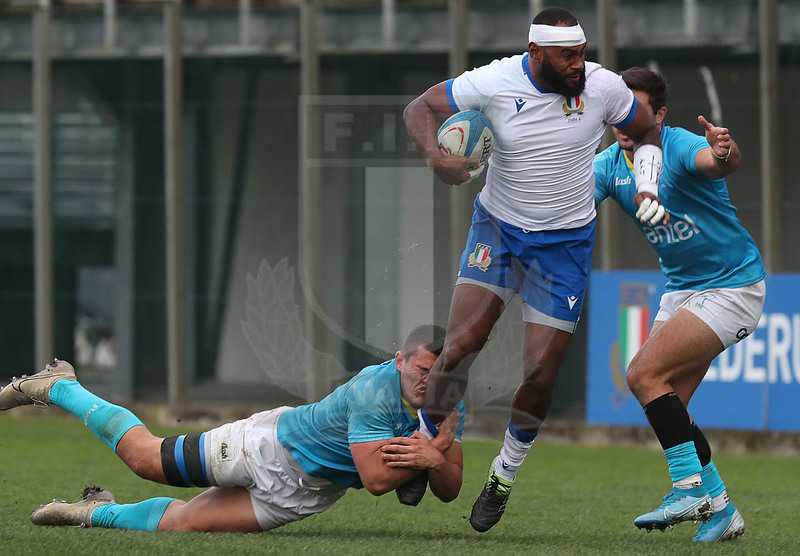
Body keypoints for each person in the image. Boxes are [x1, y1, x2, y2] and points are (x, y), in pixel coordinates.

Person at [403, 7, 666, 533]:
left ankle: (502, 475)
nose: (579, 64)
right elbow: (419, 109)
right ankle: (425, 441)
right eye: (568, 56)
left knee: (540, 374)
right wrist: (438, 160)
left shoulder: (603, 86)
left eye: (583, 53)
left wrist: (647, 184)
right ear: (536, 54)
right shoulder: (495, 81)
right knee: (459, 347)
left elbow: (647, 132)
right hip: (498, 232)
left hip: (564, 246)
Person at [0, 324, 466, 533]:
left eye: (438, 373)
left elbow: (451, 489)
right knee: (146, 459)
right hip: (268, 447)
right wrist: (431, 455)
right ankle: (59, 386)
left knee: (184, 525)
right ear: (400, 360)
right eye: (420, 369)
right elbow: (377, 480)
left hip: (307, 493)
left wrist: (436, 460)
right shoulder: (375, 388)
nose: (429, 381)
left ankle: (91, 512)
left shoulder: (446, 399)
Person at [593, 67, 765, 542]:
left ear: (661, 115)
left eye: (638, 113)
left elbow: (716, 163)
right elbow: (568, 209)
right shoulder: (608, 165)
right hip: (683, 290)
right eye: (618, 114)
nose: (625, 124)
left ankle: (688, 489)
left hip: (733, 286)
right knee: (671, 409)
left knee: (641, 374)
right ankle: (722, 510)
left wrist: (726, 152)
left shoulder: (681, 145)